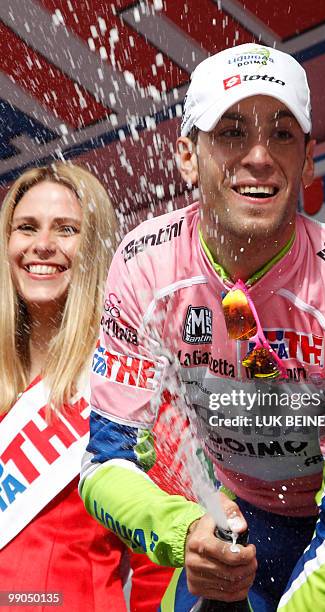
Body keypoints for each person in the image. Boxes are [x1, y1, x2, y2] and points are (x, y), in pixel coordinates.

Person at [80, 44, 325, 610]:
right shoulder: (142, 266)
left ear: (309, 159)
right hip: (241, 525)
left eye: (283, 134)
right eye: (231, 132)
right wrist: (184, 532)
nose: (259, 157)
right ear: (187, 157)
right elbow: (105, 466)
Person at [0, 163, 173, 611]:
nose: (42, 245)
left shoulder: (125, 384)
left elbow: (160, 568)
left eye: (66, 229)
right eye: (26, 228)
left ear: (94, 249)